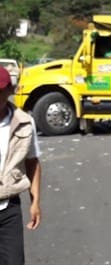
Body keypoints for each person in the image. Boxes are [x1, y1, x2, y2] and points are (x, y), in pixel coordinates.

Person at [0, 66, 41, 264]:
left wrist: (35, 201)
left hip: (8, 208)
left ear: (10, 90)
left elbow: (32, 161)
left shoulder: (24, 122)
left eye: (0, 91)